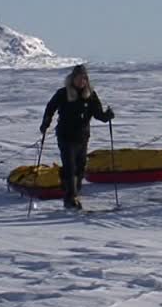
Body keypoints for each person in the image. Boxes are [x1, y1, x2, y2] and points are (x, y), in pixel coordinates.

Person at [40, 64, 113, 209]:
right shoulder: (63, 93)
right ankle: (70, 199)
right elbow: (50, 108)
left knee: (80, 168)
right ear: (72, 78)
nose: (81, 81)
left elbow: (98, 114)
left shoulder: (90, 95)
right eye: (79, 78)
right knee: (70, 167)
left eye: (84, 79)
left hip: (82, 137)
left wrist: (107, 116)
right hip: (65, 136)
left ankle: (73, 192)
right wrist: (46, 123)